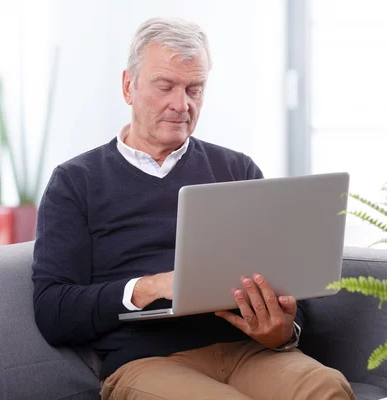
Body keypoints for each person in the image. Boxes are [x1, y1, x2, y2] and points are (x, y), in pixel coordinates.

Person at [32, 17, 355, 400]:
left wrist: (285, 329)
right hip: (148, 361)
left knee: (328, 386)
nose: (181, 104)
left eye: (194, 89)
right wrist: (149, 287)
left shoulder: (237, 170)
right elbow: (53, 309)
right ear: (128, 86)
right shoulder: (75, 181)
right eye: (165, 86)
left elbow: (285, 283)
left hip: (250, 352)